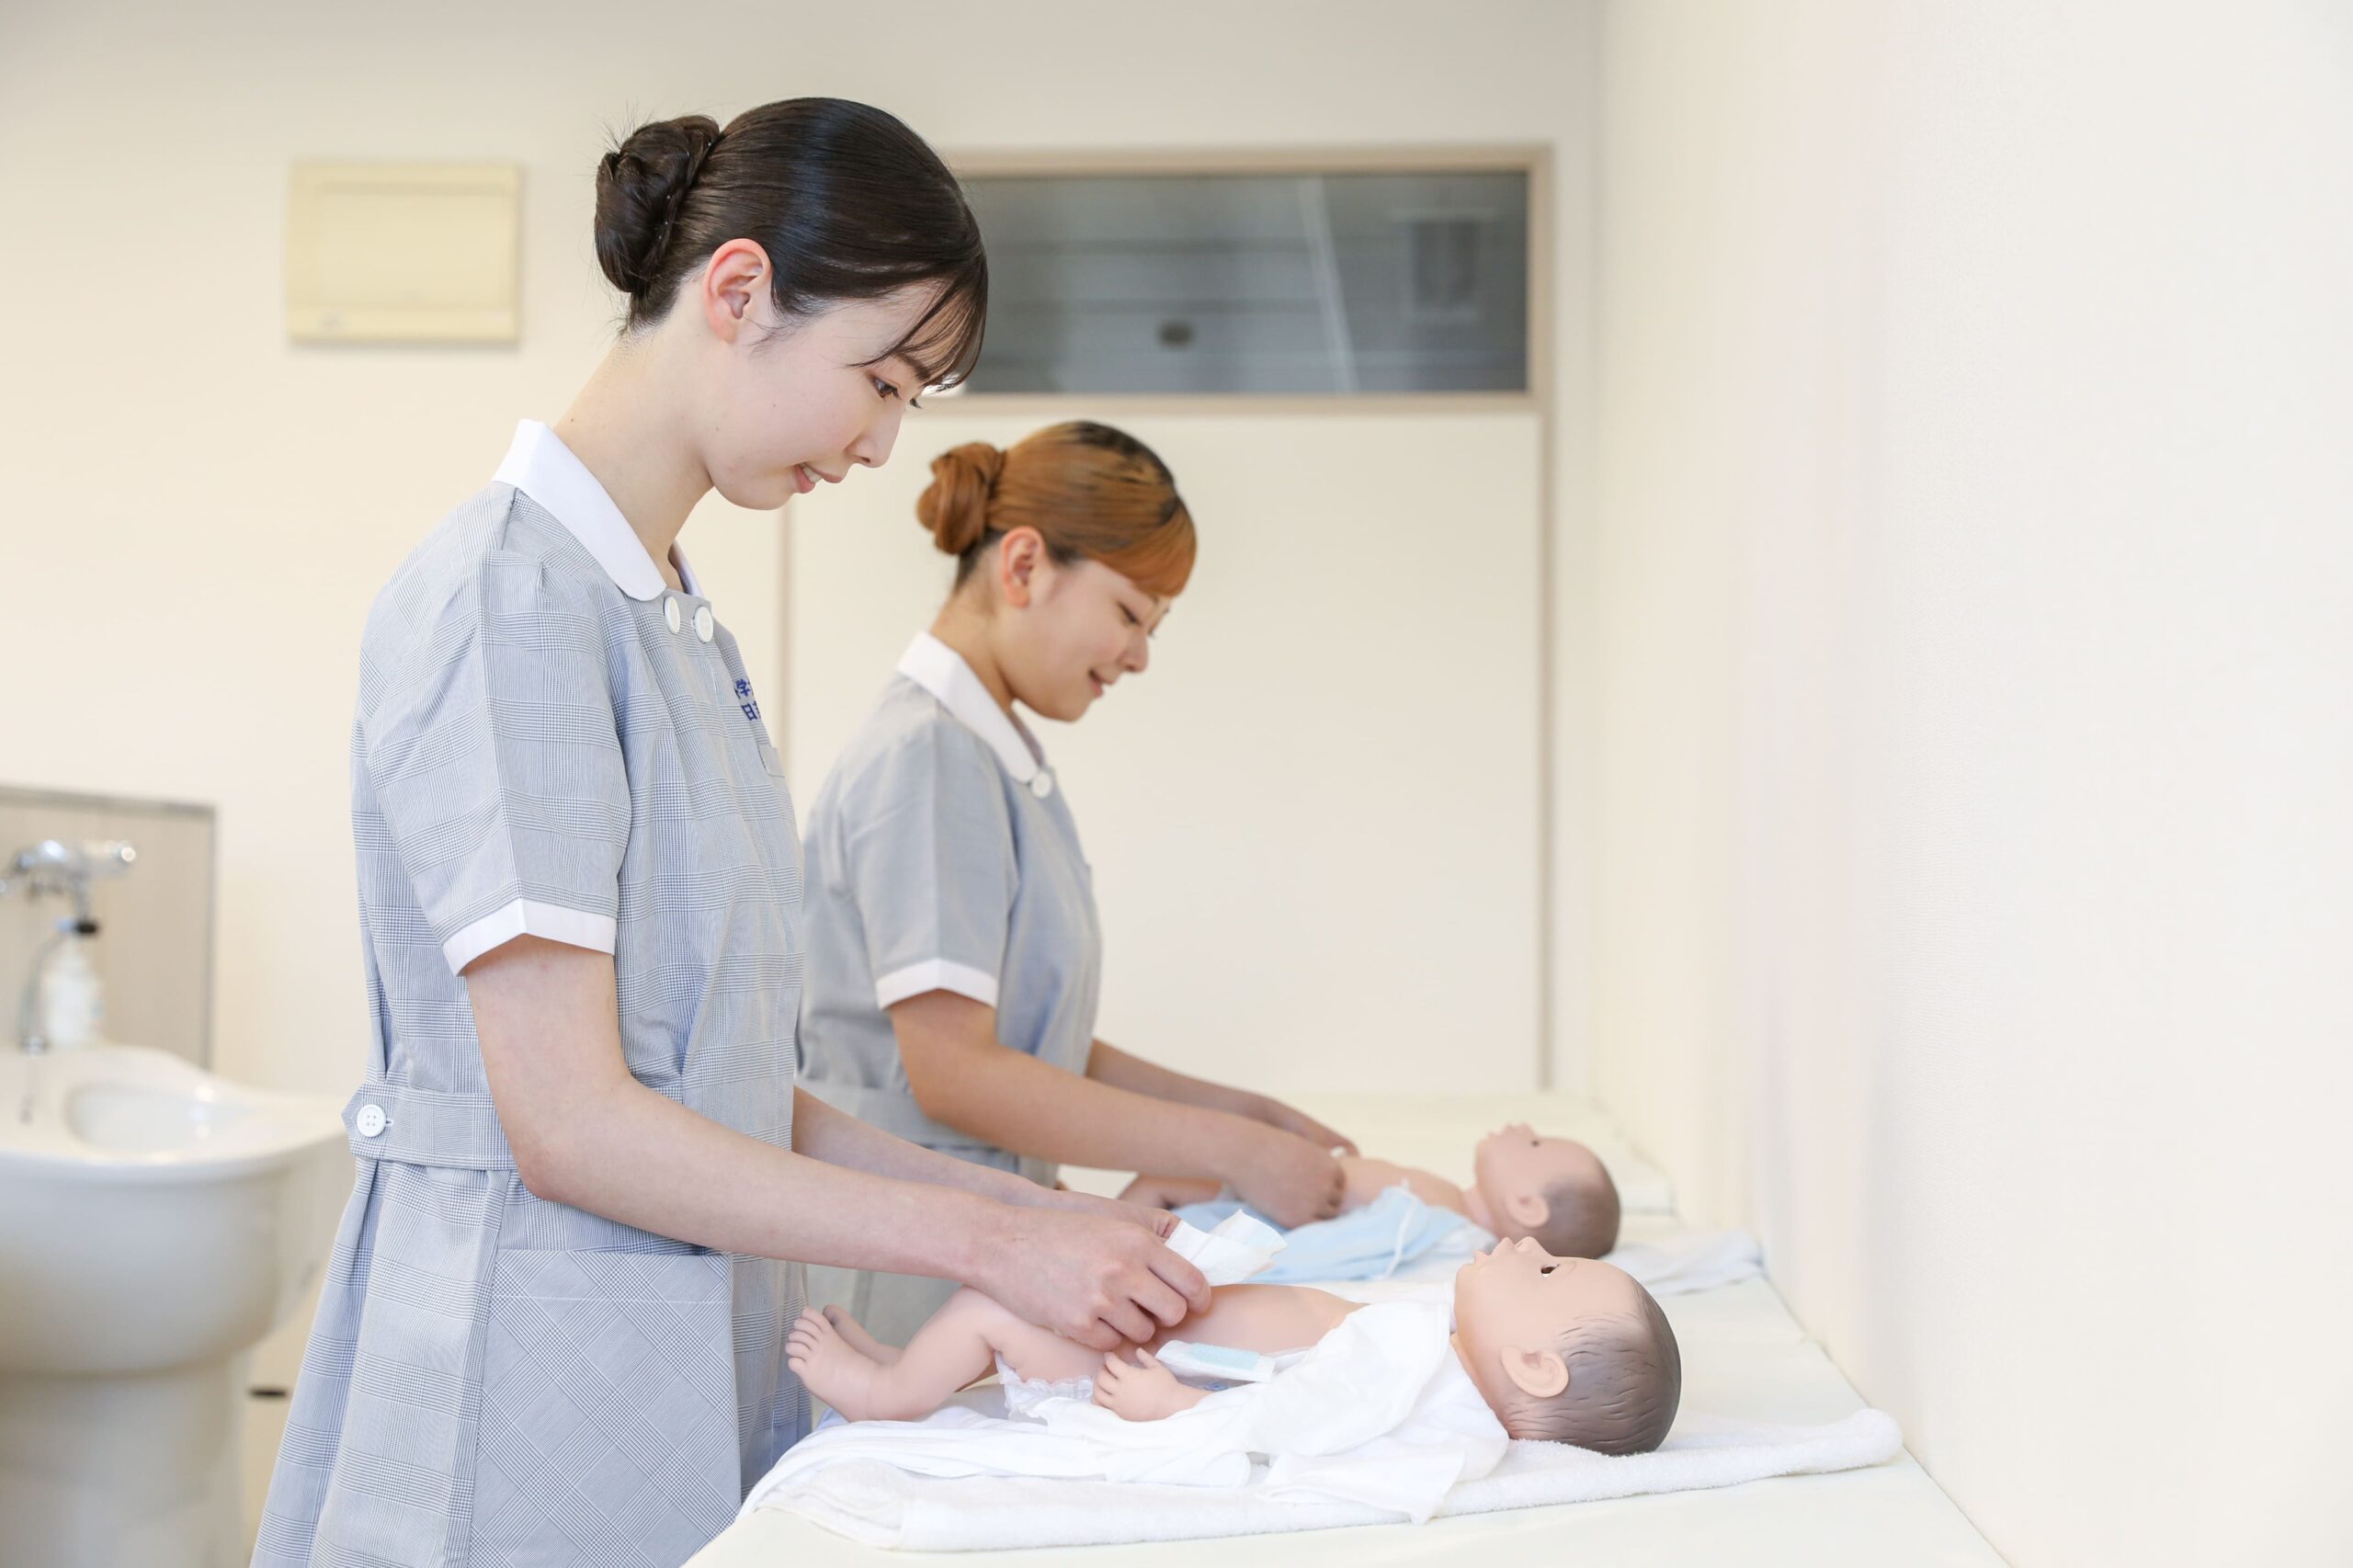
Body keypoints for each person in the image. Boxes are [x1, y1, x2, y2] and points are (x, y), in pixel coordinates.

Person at [254, 99, 1206, 1568]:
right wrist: (996, 1237)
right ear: (742, 290)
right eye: (880, 381)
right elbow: (571, 1121)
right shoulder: (508, 601)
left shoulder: (670, 623)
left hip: (692, 1341)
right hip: (526, 1362)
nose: (883, 444)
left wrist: (1020, 1212)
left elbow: (737, 1082)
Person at [796, 423, 1358, 1343]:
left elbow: (1037, 1038)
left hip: (963, 1238)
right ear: (1023, 565)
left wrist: (1236, 1112)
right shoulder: (928, 757)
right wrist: (1234, 1147)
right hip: (901, 1259)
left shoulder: (989, 757)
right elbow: (956, 1075)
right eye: (1131, 614)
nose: (1139, 656)